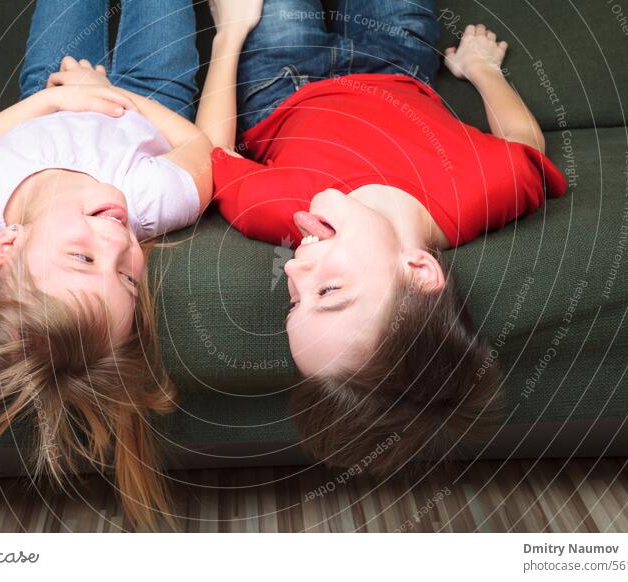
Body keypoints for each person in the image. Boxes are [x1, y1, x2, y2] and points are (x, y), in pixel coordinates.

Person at [196, 0, 567, 475]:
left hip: (282, 84)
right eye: (327, 292)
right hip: (398, 65)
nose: (292, 270)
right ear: (418, 270)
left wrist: (230, 34)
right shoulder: (484, 191)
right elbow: (525, 144)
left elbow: (212, 155)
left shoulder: (275, 212)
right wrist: (481, 70)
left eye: (294, 303)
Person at [0, 0, 211, 532]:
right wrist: (112, 96)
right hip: (147, 98)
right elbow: (199, 147)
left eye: (83, 258)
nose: (118, 241)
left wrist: (56, 99)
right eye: (129, 278)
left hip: (50, 89)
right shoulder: (148, 202)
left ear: (7, 246)